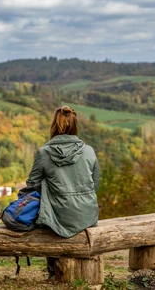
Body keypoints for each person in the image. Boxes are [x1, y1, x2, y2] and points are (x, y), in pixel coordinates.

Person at [25, 105, 100, 276]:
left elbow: (31, 184)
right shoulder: (89, 151)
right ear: (75, 126)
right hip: (87, 215)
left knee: (47, 211)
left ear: (53, 126)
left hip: (57, 219)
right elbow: (95, 185)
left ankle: (53, 268)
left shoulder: (44, 153)